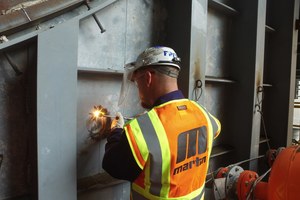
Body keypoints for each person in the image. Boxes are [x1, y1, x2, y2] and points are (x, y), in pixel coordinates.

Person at [102, 46, 221, 200]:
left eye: (138, 84)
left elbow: (113, 165)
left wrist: (116, 132)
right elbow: (215, 129)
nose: (139, 92)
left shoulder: (142, 129)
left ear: (148, 78)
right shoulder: (203, 114)